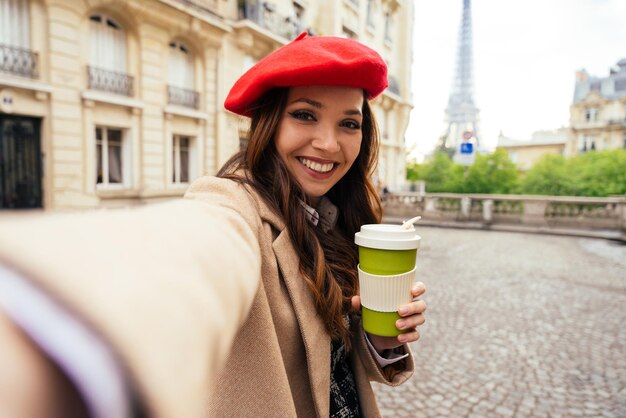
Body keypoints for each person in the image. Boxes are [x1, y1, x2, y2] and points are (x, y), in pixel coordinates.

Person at [0, 32, 426, 418]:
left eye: (348, 123)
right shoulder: (232, 205)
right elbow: (193, 249)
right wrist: (45, 313)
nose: (329, 144)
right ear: (269, 123)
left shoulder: (332, 217)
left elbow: (330, 360)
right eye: (305, 115)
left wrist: (381, 341)